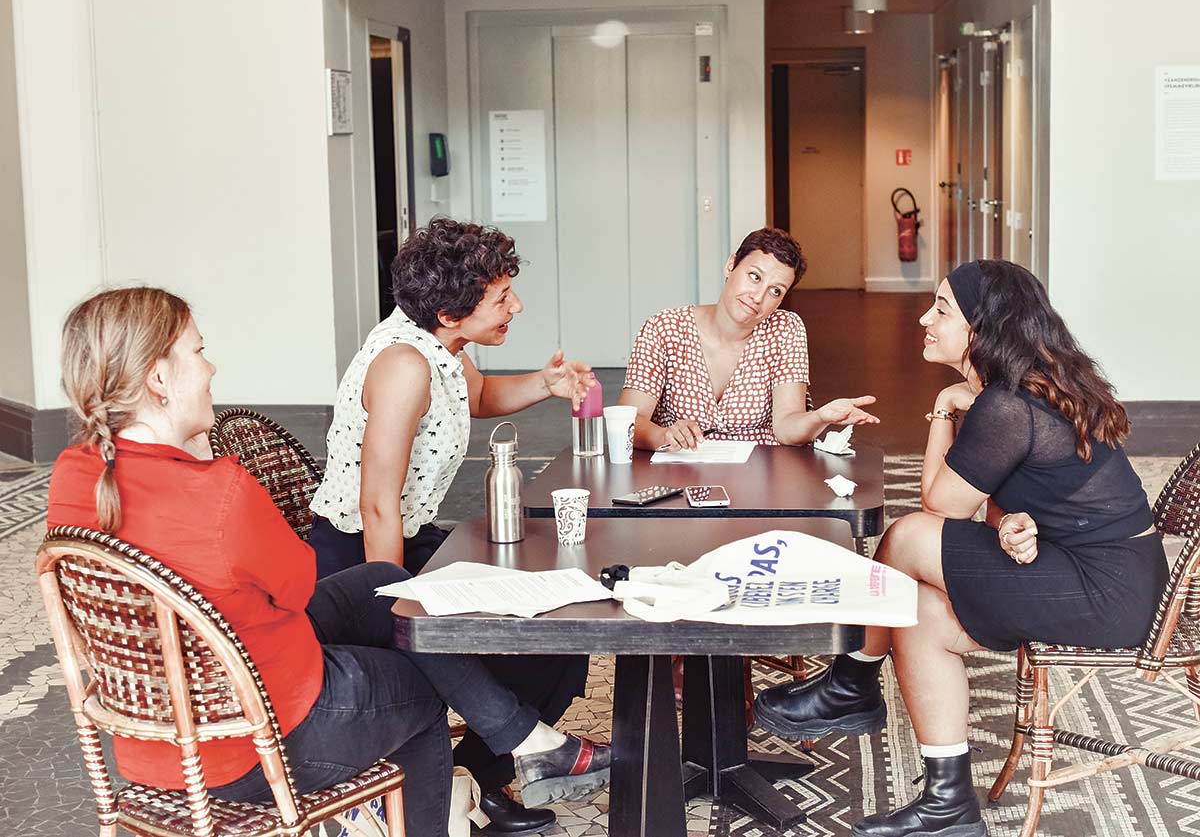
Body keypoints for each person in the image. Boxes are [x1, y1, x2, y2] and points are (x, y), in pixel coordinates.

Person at [47, 287, 611, 837]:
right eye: (199, 352)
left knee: (386, 583)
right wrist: (203, 461)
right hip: (255, 738)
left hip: (153, 742)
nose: (211, 368)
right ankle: (491, 773)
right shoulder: (218, 491)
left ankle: (529, 743)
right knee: (416, 685)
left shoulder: (74, 474)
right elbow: (295, 585)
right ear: (158, 379)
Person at [754, 260, 1167, 837]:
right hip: (1098, 570)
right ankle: (949, 803)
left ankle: (852, 681)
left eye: (942, 309)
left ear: (983, 327)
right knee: (919, 610)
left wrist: (945, 409)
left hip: (1108, 589)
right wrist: (1010, 525)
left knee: (907, 536)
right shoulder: (1026, 389)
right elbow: (1007, 503)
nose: (924, 319)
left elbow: (941, 507)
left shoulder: (1006, 404)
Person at [308, 218, 595, 834]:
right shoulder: (404, 365)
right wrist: (397, 608)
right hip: (362, 555)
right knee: (490, 640)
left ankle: (475, 782)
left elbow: (480, 395)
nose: (516, 306)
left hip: (409, 538)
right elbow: (377, 505)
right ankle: (474, 776)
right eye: (502, 297)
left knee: (555, 634)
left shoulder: (440, 346)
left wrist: (546, 383)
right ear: (448, 312)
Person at [619, 227, 879, 451]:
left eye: (775, 291)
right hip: (679, 475)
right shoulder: (663, 329)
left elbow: (786, 426)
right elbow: (630, 420)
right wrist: (664, 436)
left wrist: (820, 417)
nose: (757, 297)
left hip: (760, 477)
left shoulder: (785, 329)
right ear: (731, 265)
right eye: (754, 277)